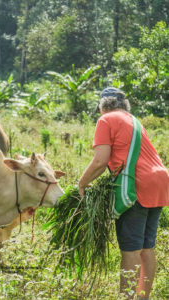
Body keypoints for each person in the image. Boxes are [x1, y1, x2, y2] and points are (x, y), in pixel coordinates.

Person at [78, 87, 169, 299]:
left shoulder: (106, 120)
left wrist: (82, 183)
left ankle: (126, 297)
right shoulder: (133, 120)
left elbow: (100, 161)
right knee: (147, 247)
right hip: (160, 181)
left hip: (137, 185)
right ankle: (142, 296)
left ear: (102, 106)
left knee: (130, 248)